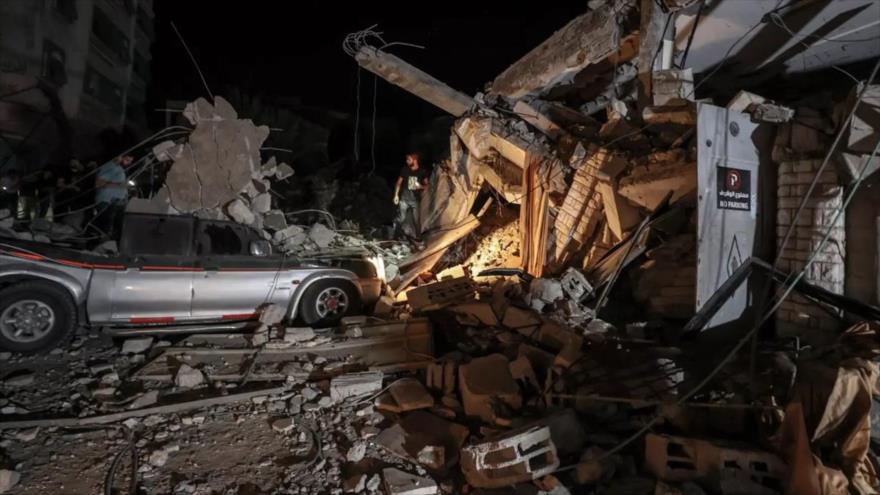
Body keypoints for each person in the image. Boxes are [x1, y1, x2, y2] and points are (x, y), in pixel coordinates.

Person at [93, 154, 133, 239]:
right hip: (106, 202)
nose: (128, 163)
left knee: (117, 228)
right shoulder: (109, 166)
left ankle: (112, 246)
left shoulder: (120, 169)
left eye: (130, 161)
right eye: (127, 160)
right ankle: (99, 246)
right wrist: (119, 185)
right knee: (105, 227)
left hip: (118, 203)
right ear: (120, 157)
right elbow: (98, 183)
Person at [392, 153, 428, 239]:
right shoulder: (405, 170)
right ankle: (395, 237)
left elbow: (427, 185)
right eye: (407, 160)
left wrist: (421, 186)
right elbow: (398, 183)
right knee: (401, 218)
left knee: (416, 220)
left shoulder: (422, 171)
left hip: (415, 200)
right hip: (404, 199)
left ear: (415, 160)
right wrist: (396, 195)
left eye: (409, 160)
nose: (407, 161)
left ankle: (418, 238)